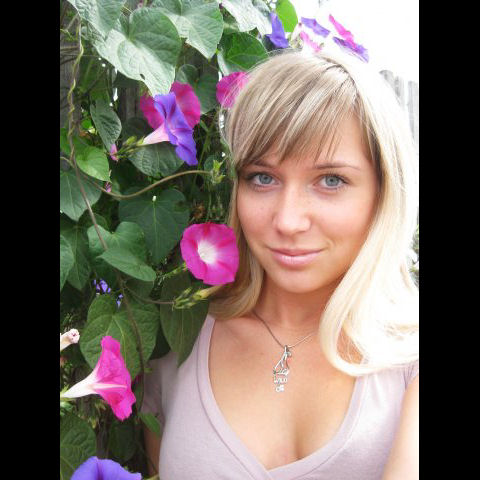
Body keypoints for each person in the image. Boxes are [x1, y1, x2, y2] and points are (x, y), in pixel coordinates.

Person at [142, 46, 419, 480]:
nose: (288, 221)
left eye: (331, 181)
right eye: (263, 177)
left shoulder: (409, 357)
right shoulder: (178, 335)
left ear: (383, 192)